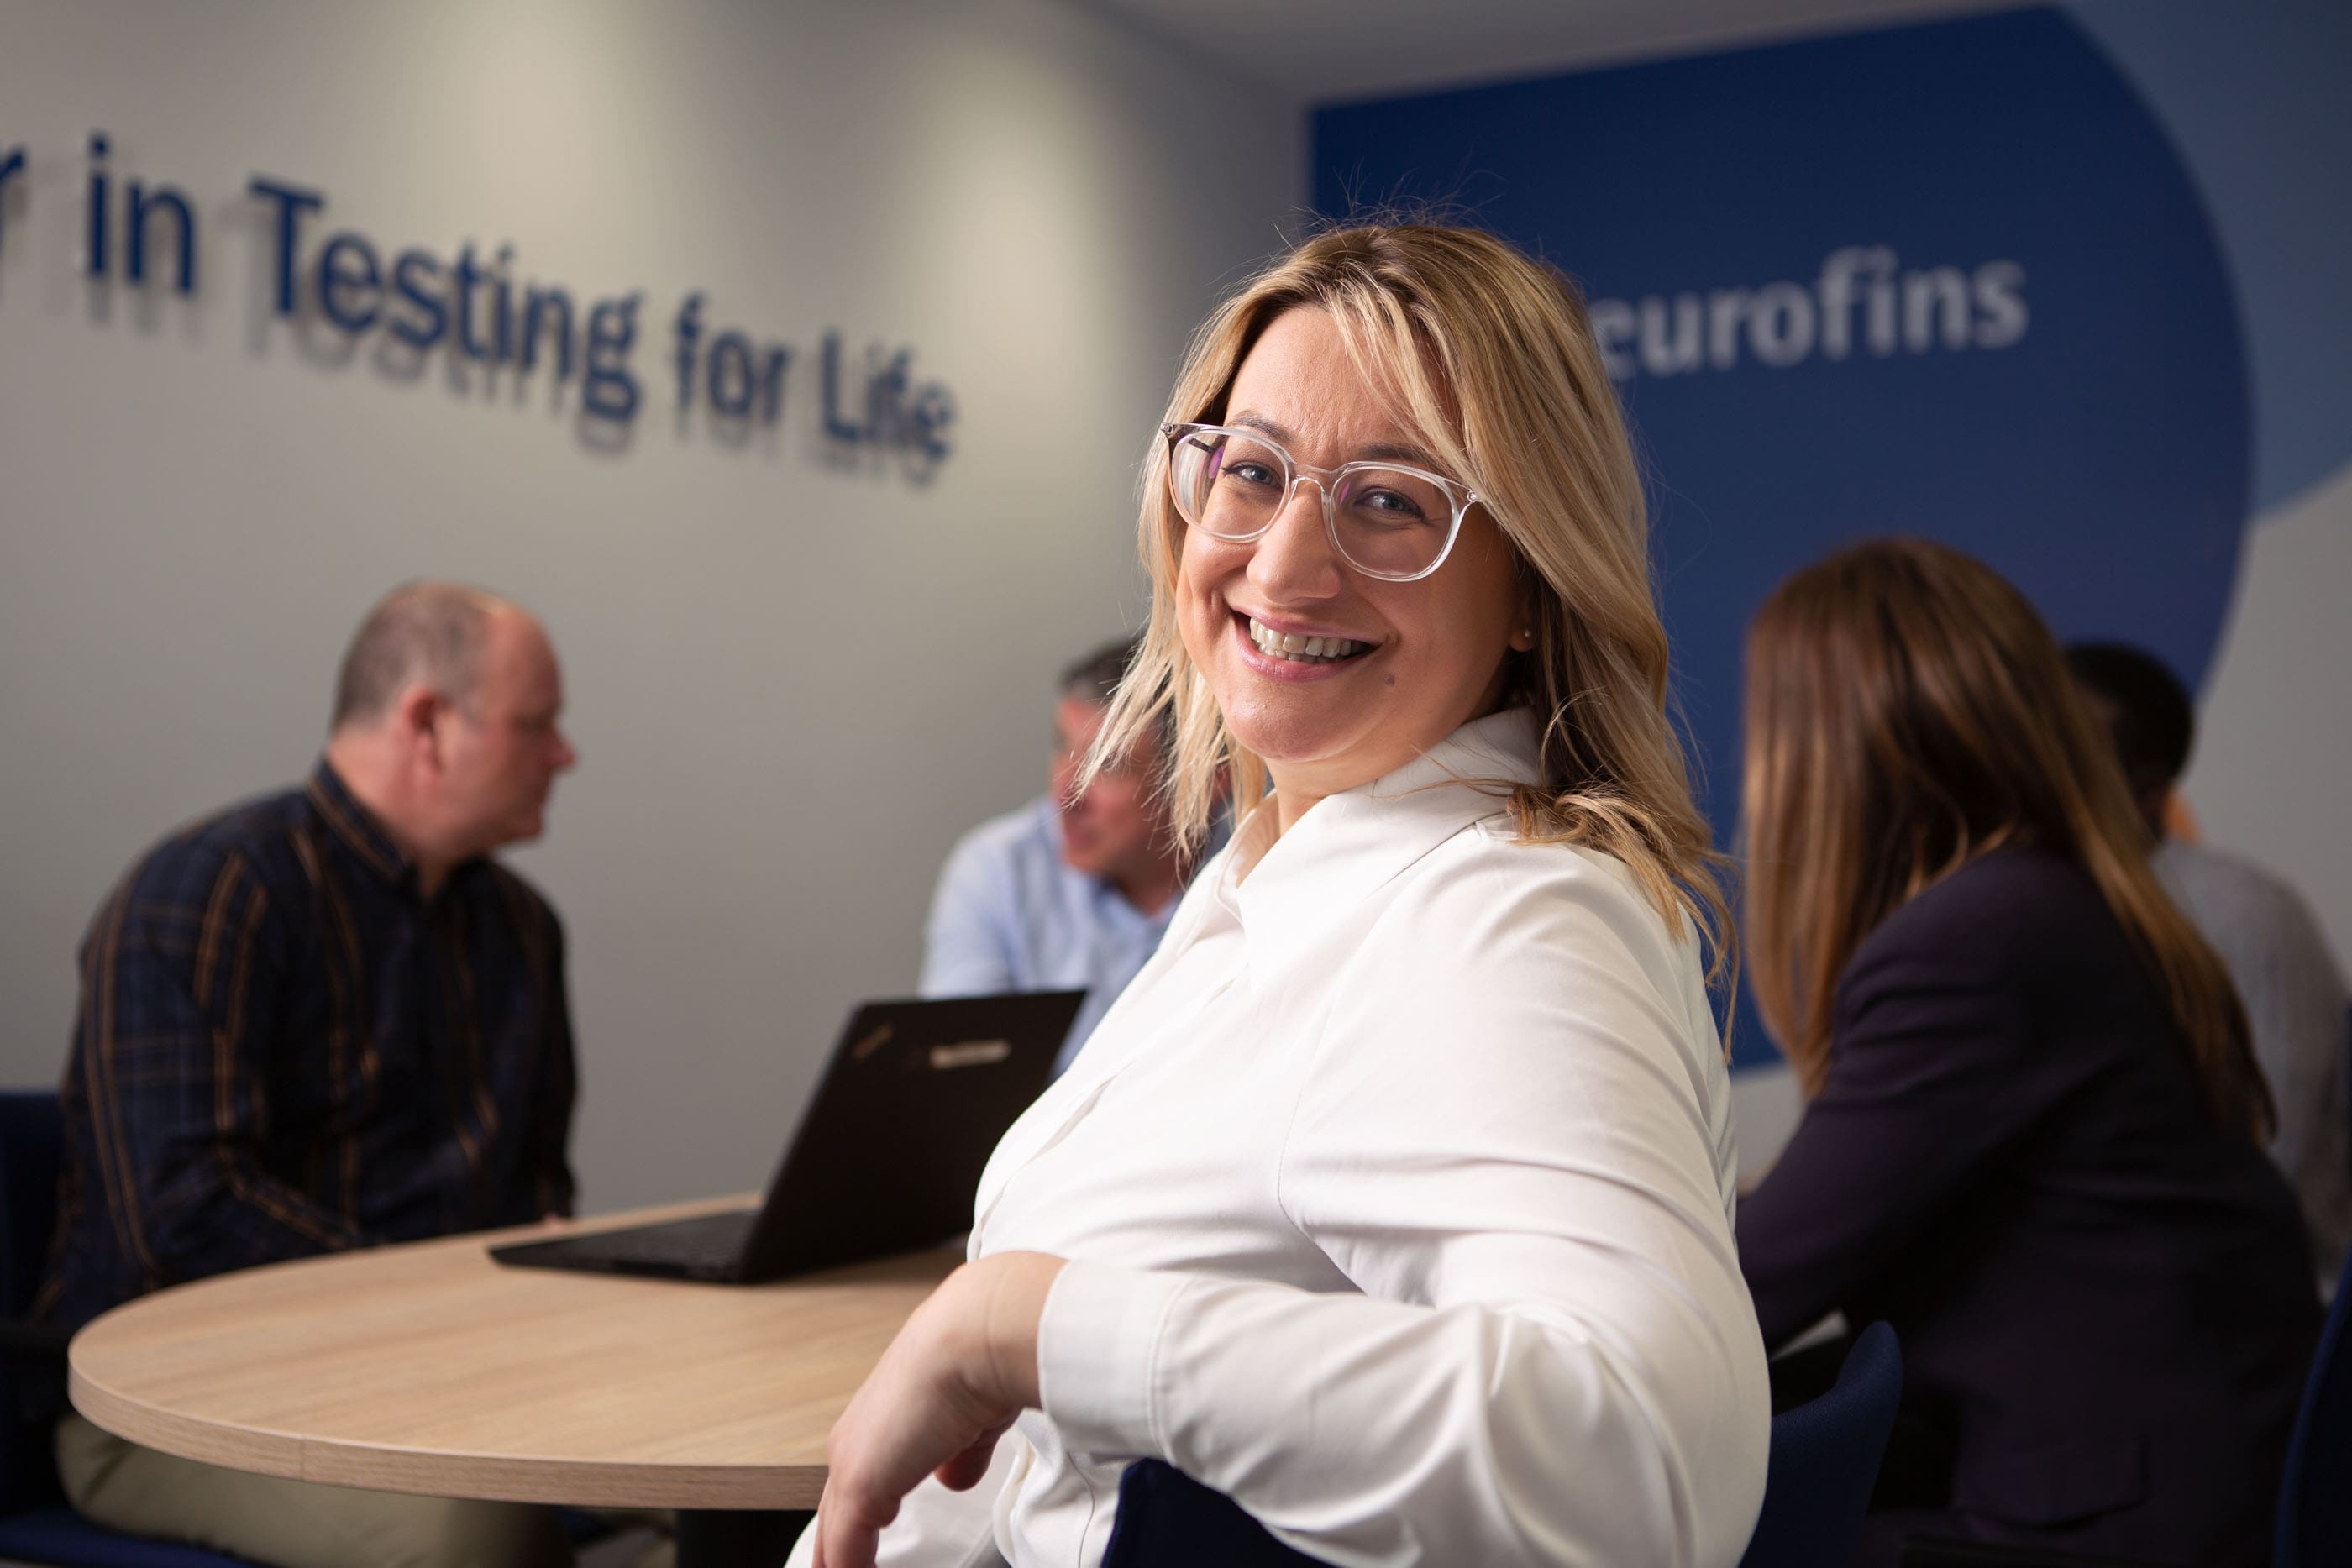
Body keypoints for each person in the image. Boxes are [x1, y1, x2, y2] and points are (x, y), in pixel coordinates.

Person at [795, 223, 1771, 1568]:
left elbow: (1653, 1465)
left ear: (1535, 583)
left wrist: (1022, 1325)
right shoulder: (1273, 881)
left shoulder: (1503, 914)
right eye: (1251, 471)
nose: (1285, 562)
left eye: (1394, 500)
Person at [1735, 541, 2320, 1567]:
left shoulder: (1972, 941)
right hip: (2198, 1462)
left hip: (2124, 1515)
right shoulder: (2060, 899)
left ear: (1819, 755)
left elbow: (1752, 1286)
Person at [32, 582, 585, 1568]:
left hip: (452, 1383)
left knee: (763, 1483)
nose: (563, 755)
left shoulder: (521, 929)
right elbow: (183, 1217)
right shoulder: (208, 893)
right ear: (427, 723)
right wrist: (449, 1303)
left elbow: (537, 1187)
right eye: (535, 724)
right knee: (475, 1535)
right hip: (180, 1406)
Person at [2067, 640, 2352, 1285]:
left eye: (2067, 749)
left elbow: (2266, 1160)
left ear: (2148, 792)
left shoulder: (2243, 914)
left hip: (2269, 1299)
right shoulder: (2032, 903)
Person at [920, 637, 1205, 1073]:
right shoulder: (997, 871)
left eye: (1108, 765)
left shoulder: (1264, 870)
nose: (1066, 796)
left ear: (1205, 781)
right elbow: (958, 1084)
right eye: (1061, 748)